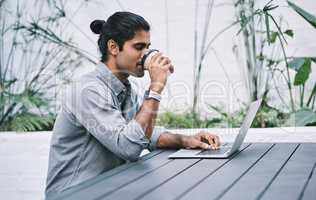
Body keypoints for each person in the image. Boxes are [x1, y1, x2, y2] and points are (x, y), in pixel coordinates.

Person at [45, 11, 221, 197]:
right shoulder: (88, 91)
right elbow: (128, 147)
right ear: (113, 47)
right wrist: (156, 88)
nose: (146, 55)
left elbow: (145, 135)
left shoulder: (127, 89)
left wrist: (186, 140)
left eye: (147, 47)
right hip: (74, 194)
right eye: (139, 47)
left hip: (109, 188)